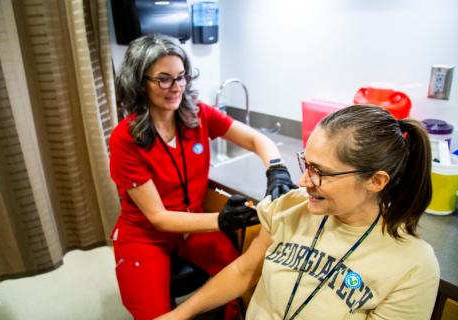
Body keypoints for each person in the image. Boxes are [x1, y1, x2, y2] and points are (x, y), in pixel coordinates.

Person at [156, 105, 440, 320]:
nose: (303, 181)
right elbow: (244, 271)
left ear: (376, 181)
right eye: (306, 163)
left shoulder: (412, 265)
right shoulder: (293, 207)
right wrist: (178, 315)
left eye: (321, 172)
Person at [108, 33, 296, 320]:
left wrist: (277, 168)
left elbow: (258, 141)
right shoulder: (126, 139)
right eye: (164, 79)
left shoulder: (198, 115)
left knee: (244, 276)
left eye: (181, 76)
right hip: (146, 237)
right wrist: (220, 221)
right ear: (139, 82)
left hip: (192, 227)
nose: (177, 87)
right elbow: (158, 217)